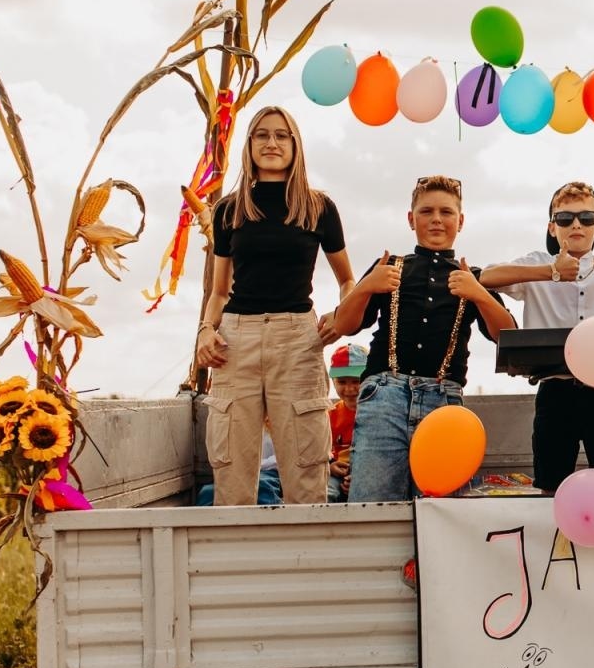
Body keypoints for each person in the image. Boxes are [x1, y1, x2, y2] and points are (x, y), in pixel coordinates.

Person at [195, 106, 355, 506]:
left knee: (306, 471)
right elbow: (218, 291)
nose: (271, 142)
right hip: (235, 341)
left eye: (282, 135)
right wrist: (204, 331)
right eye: (261, 135)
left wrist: (340, 314)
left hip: (297, 338)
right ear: (248, 146)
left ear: (295, 145)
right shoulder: (229, 210)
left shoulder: (320, 208)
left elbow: (347, 280)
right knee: (231, 473)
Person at [335, 175, 517, 501]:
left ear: (460, 221)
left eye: (446, 212)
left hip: (443, 400)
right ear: (411, 219)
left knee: (441, 507)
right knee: (373, 498)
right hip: (383, 397)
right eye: (426, 211)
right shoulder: (389, 266)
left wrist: (480, 295)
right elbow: (346, 325)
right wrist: (365, 286)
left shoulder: (471, 276)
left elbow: (506, 335)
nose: (436, 219)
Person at [480, 181, 594, 493]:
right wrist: (550, 271)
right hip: (554, 389)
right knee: (550, 484)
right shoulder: (537, 262)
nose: (576, 224)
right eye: (565, 219)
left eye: (586, 218)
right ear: (552, 227)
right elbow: (486, 277)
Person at [326, 343, 367, 502]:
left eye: (356, 381)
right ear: (333, 382)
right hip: (338, 473)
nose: (349, 389)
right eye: (342, 382)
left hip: (368, 471)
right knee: (326, 492)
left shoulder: (379, 414)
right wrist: (330, 466)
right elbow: (322, 450)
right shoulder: (330, 415)